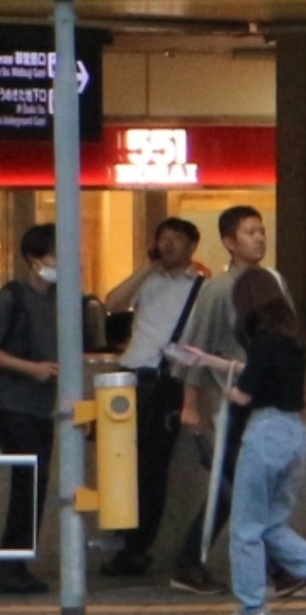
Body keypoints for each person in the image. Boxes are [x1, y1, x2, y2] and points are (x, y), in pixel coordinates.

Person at [213, 277, 306, 615]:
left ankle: (250, 610)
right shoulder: (294, 341)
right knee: (271, 523)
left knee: (245, 529)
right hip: (294, 435)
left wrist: (228, 390)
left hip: (264, 434)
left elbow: (245, 395)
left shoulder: (262, 343)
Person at [163, 204, 287, 594]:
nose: (259, 237)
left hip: (268, 402)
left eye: (262, 230)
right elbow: (193, 349)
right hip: (228, 405)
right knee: (246, 486)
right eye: (250, 232)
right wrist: (190, 404)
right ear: (230, 243)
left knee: (234, 489)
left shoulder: (274, 283)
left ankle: (190, 562)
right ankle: (281, 568)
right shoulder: (217, 290)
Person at [99, 217, 206, 580]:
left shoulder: (201, 289)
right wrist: (146, 268)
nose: (168, 245)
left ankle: (137, 548)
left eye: (177, 239)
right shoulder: (148, 280)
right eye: (163, 238)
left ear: (192, 246)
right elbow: (113, 303)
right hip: (130, 380)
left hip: (167, 383)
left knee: (152, 469)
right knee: (119, 464)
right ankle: (120, 543)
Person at [0, 224, 58, 596]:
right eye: (57, 254)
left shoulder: (63, 300)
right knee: (28, 477)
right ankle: (11, 563)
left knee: (36, 481)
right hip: (12, 403)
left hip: (43, 406)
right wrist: (32, 369)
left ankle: (17, 560)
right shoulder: (12, 297)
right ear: (36, 259)